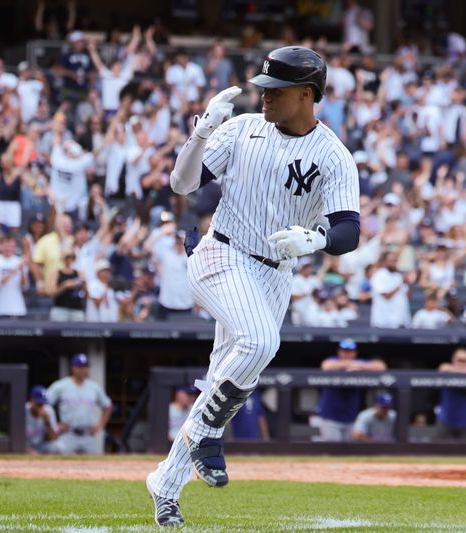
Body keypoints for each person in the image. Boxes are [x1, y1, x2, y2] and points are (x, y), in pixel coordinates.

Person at [146, 46, 360, 527]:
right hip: (220, 252)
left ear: (306, 95)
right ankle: (206, 433)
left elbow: (349, 231)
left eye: (275, 91)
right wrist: (200, 133)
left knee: (228, 370)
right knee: (260, 341)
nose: (263, 97)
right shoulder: (242, 128)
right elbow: (182, 185)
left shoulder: (333, 155)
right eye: (262, 89)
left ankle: (166, 482)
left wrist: (317, 238)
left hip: (274, 273)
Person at [315, 339, 387, 442]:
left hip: (351, 417)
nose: (347, 354)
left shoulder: (358, 363)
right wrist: (348, 365)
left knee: (349, 453)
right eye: (344, 351)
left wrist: (359, 366)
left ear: (355, 352)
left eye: (350, 351)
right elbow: (326, 366)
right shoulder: (334, 360)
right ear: (339, 352)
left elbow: (381, 366)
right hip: (330, 417)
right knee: (332, 450)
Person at [47, 353, 113, 455]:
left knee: (94, 466)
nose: (82, 370)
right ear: (73, 368)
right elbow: (45, 405)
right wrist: (55, 425)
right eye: (79, 367)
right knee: (62, 466)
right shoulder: (61, 385)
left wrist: (100, 425)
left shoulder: (94, 387)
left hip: (88, 435)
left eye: (85, 367)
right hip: (68, 434)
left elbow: (108, 406)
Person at [25, 385, 61, 454]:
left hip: (41, 446)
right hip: (25, 446)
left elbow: (54, 438)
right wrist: (26, 449)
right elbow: (16, 440)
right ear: (31, 400)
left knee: (58, 447)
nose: (41, 406)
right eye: (39, 403)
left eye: (43, 404)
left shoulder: (48, 411)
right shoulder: (23, 410)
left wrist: (47, 422)